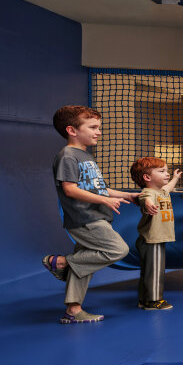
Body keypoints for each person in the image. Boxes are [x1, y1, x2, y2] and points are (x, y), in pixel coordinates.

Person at [42, 106, 133, 324]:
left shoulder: (84, 155)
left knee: (84, 266)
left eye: (98, 127)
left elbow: (98, 188)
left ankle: (73, 311)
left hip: (95, 215)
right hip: (85, 218)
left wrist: (127, 195)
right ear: (72, 130)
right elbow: (70, 189)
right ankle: (61, 262)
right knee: (118, 249)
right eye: (92, 127)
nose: (98, 132)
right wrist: (105, 200)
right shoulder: (67, 156)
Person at [130, 157, 182, 311]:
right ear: (147, 177)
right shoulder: (149, 192)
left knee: (149, 270)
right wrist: (148, 205)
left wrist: (175, 178)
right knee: (155, 271)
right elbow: (145, 199)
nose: (166, 174)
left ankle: (144, 299)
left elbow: (169, 187)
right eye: (162, 171)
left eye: (166, 171)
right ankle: (154, 300)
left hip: (156, 239)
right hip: (152, 240)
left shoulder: (161, 191)